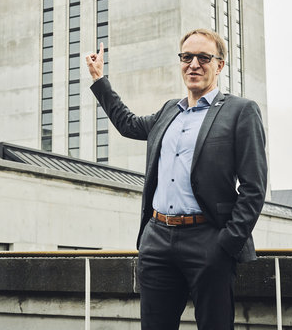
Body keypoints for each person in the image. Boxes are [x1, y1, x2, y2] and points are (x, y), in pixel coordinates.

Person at [85, 29, 267, 330]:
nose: (193, 64)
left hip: (209, 239)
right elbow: (128, 124)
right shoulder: (170, 110)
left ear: (219, 65)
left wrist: (226, 244)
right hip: (157, 240)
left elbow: (254, 186)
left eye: (203, 58)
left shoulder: (240, 111)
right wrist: (99, 80)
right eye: (186, 57)